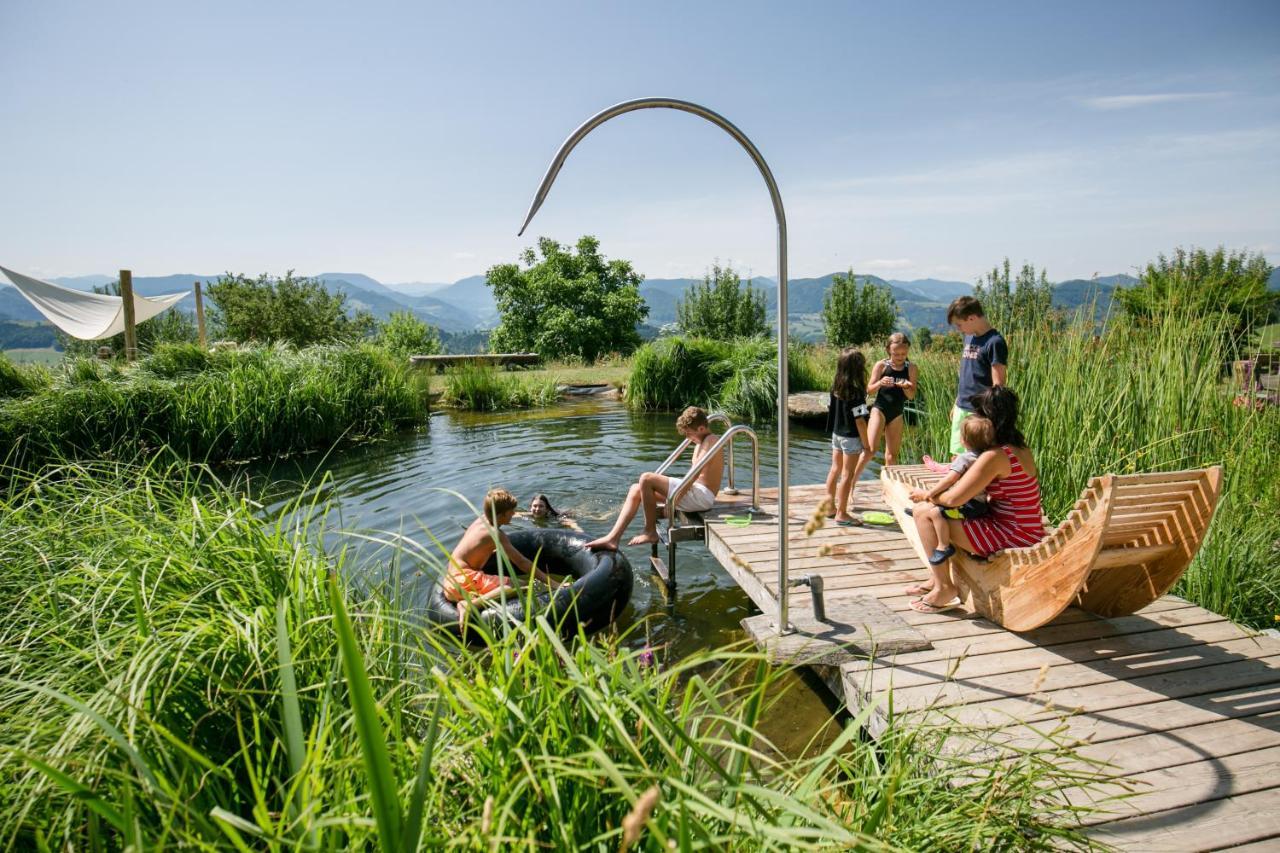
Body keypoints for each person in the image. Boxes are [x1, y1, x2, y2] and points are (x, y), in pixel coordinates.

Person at [905, 387, 1045, 614]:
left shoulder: (994, 456)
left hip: (1011, 533)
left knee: (923, 513)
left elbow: (952, 498)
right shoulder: (1019, 448)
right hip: (1027, 527)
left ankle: (943, 588)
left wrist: (927, 495)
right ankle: (936, 578)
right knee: (931, 510)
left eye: (979, 413)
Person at [586, 406, 723, 550]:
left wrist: (672, 502)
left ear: (701, 428)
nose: (688, 438)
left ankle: (650, 531)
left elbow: (694, 474)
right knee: (636, 489)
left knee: (646, 478)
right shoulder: (702, 442)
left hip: (702, 497)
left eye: (689, 434)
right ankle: (613, 538)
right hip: (695, 494)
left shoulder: (711, 440)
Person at [445, 488, 555, 625]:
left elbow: (475, 547)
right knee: (520, 585)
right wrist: (551, 583)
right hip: (462, 583)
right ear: (500, 515)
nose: (514, 514)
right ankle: (470, 605)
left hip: (450, 581)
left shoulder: (481, 520)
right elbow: (522, 562)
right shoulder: (496, 534)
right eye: (511, 512)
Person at [924, 296, 1007, 470]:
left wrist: (990, 414)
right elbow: (966, 374)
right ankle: (953, 486)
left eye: (959, 325)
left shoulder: (994, 342)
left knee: (974, 457)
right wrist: (956, 402)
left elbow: (998, 384)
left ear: (972, 318)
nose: (959, 329)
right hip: (962, 405)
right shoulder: (969, 337)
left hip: (979, 410)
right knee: (957, 453)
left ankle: (968, 494)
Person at [904, 415, 996, 571]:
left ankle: (943, 545)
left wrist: (928, 493)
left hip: (969, 506)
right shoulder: (986, 457)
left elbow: (949, 480)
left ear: (963, 440)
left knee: (936, 513)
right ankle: (920, 511)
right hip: (980, 504)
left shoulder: (965, 459)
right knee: (942, 498)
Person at [824, 347, 872, 527]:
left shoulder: (836, 386)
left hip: (836, 434)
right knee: (847, 474)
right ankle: (842, 513)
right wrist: (866, 445)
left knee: (834, 469)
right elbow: (860, 421)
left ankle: (829, 507)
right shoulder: (857, 393)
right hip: (851, 437)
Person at [865, 332, 919, 469]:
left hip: (897, 413)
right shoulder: (881, 365)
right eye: (896, 354)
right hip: (880, 410)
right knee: (870, 450)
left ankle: (887, 488)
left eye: (903, 354)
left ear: (907, 350)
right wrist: (880, 383)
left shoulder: (911, 368)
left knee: (891, 457)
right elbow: (869, 390)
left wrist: (906, 387)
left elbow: (911, 396)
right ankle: (851, 481)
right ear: (889, 350)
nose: (900, 357)